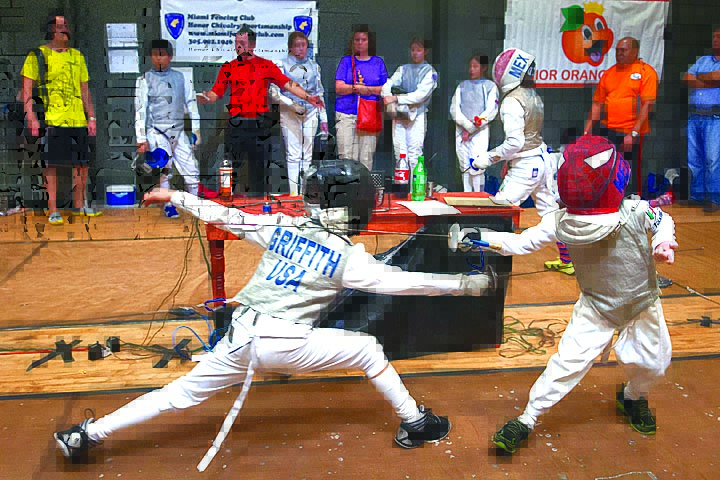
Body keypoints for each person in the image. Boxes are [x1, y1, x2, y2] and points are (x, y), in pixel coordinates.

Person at [53, 158, 497, 468]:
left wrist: (175, 195)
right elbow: (407, 282)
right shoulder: (349, 259)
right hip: (285, 344)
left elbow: (224, 216)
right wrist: (467, 284)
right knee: (366, 349)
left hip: (241, 337)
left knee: (177, 394)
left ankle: (84, 435)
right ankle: (415, 422)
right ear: (352, 205)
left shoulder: (279, 226)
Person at [483, 135, 676, 454]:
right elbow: (520, 242)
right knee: (566, 363)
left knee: (655, 364)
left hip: (642, 303)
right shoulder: (560, 220)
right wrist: (480, 238)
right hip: (596, 307)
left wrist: (663, 242)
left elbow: (662, 220)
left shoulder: (635, 210)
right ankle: (527, 418)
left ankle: (632, 397)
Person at [471, 48, 573, 275]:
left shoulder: (511, 102)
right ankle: (568, 260)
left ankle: (486, 266)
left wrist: (485, 159)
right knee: (551, 213)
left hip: (526, 167)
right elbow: (526, 138)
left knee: (499, 210)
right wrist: (508, 161)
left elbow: (515, 143)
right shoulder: (532, 95)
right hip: (542, 160)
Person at [198, 25, 323, 197]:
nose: (238, 46)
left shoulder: (265, 65)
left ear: (252, 44)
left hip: (259, 124)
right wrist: (207, 98)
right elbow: (216, 92)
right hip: (236, 122)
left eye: (242, 43)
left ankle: (258, 203)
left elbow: (287, 84)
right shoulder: (228, 67)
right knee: (231, 166)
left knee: (259, 168)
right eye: (236, 43)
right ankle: (228, 201)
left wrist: (308, 97)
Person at [21, 13, 100, 225]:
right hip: (52, 119)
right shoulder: (37, 55)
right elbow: (26, 90)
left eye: (66, 25)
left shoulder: (77, 56)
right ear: (50, 30)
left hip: (77, 119)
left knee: (82, 164)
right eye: (59, 26)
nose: (64, 29)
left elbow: (85, 89)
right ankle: (53, 209)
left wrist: (91, 116)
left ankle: (80, 205)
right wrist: (31, 117)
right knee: (52, 165)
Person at [135, 39, 201, 218]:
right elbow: (140, 110)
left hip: (178, 131)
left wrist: (196, 130)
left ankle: (195, 205)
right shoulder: (144, 80)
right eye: (155, 55)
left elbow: (191, 103)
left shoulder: (181, 77)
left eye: (162, 54)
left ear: (170, 56)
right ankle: (167, 206)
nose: (159, 58)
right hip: (157, 132)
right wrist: (141, 138)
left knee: (192, 170)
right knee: (165, 171)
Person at [584, 37, 658, 196]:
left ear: (635, 52)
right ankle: (605, 200)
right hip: (607, 130)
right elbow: (597, 104)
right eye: (617, 50)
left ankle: (632, 202)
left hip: (630, 132)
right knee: (601, 165)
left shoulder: (646, 72)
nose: (619, 53)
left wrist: (633, 134)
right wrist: (587, 131)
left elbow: (647, 105)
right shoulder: (609, 73)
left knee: (628, 170)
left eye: (623, 50)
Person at [270, 31, 328, 196]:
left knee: (307, 154)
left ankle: (304, 193)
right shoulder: (281, 65)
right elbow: (273, 92)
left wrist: (323, 119)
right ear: (290, 47)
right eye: (297, 45)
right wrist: (291, 104)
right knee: (293, 153)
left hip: (310, 112)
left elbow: (319, 93)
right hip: (289, 112)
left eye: (304, 45)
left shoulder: (314, 66)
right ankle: (294, 193)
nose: (301, 49)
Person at [381, 36, 438, 177]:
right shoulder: (403, 69)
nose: (415, 53)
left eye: (419, 50)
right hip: (400, 115)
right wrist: (387, 97)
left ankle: (415, 188)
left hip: (417, 116)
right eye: (413, 50)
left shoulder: (430, 72)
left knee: (414, 155)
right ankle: (402, 188)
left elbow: (420, 95)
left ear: (425, 51)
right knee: (400, 155)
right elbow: (388, 84)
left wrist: (396, 98)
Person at [335, 25, 388, 171]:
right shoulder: (346, 61)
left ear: (369, 42)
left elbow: (385, 89)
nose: (360, 43)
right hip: (346, 114)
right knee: (346, 158)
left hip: (369, 115)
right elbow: (339, 87)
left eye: (363, 39)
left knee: (366, 159)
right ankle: (348, 186)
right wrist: (355, 88)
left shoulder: (378, 63)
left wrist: (367, 90)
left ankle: (364, 186)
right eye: (357, 40)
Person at [682, 26, 720, 212]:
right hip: (695, 116)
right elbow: (686, 78)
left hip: (715, 117)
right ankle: (697, 195)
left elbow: (718, 76)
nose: (715, 40)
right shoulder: (703, 60)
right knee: (694, 159)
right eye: (714, 37)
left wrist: (700, 78)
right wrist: (708, 80)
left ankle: (714, 198)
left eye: (719, 37)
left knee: (712, 159)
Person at [449, 53, 499, 192]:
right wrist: (466, 126)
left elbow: (491, 110)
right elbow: (454, 109)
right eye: (470, 66)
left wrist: (472, 128)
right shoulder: (462, 86)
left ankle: (478, 196)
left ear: (483, 68)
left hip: (480, 132)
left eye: (475, 66)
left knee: (477, 165)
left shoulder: (490, 86)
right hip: (461, 131)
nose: (471, 69)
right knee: (464, 166)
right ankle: (467, 194)